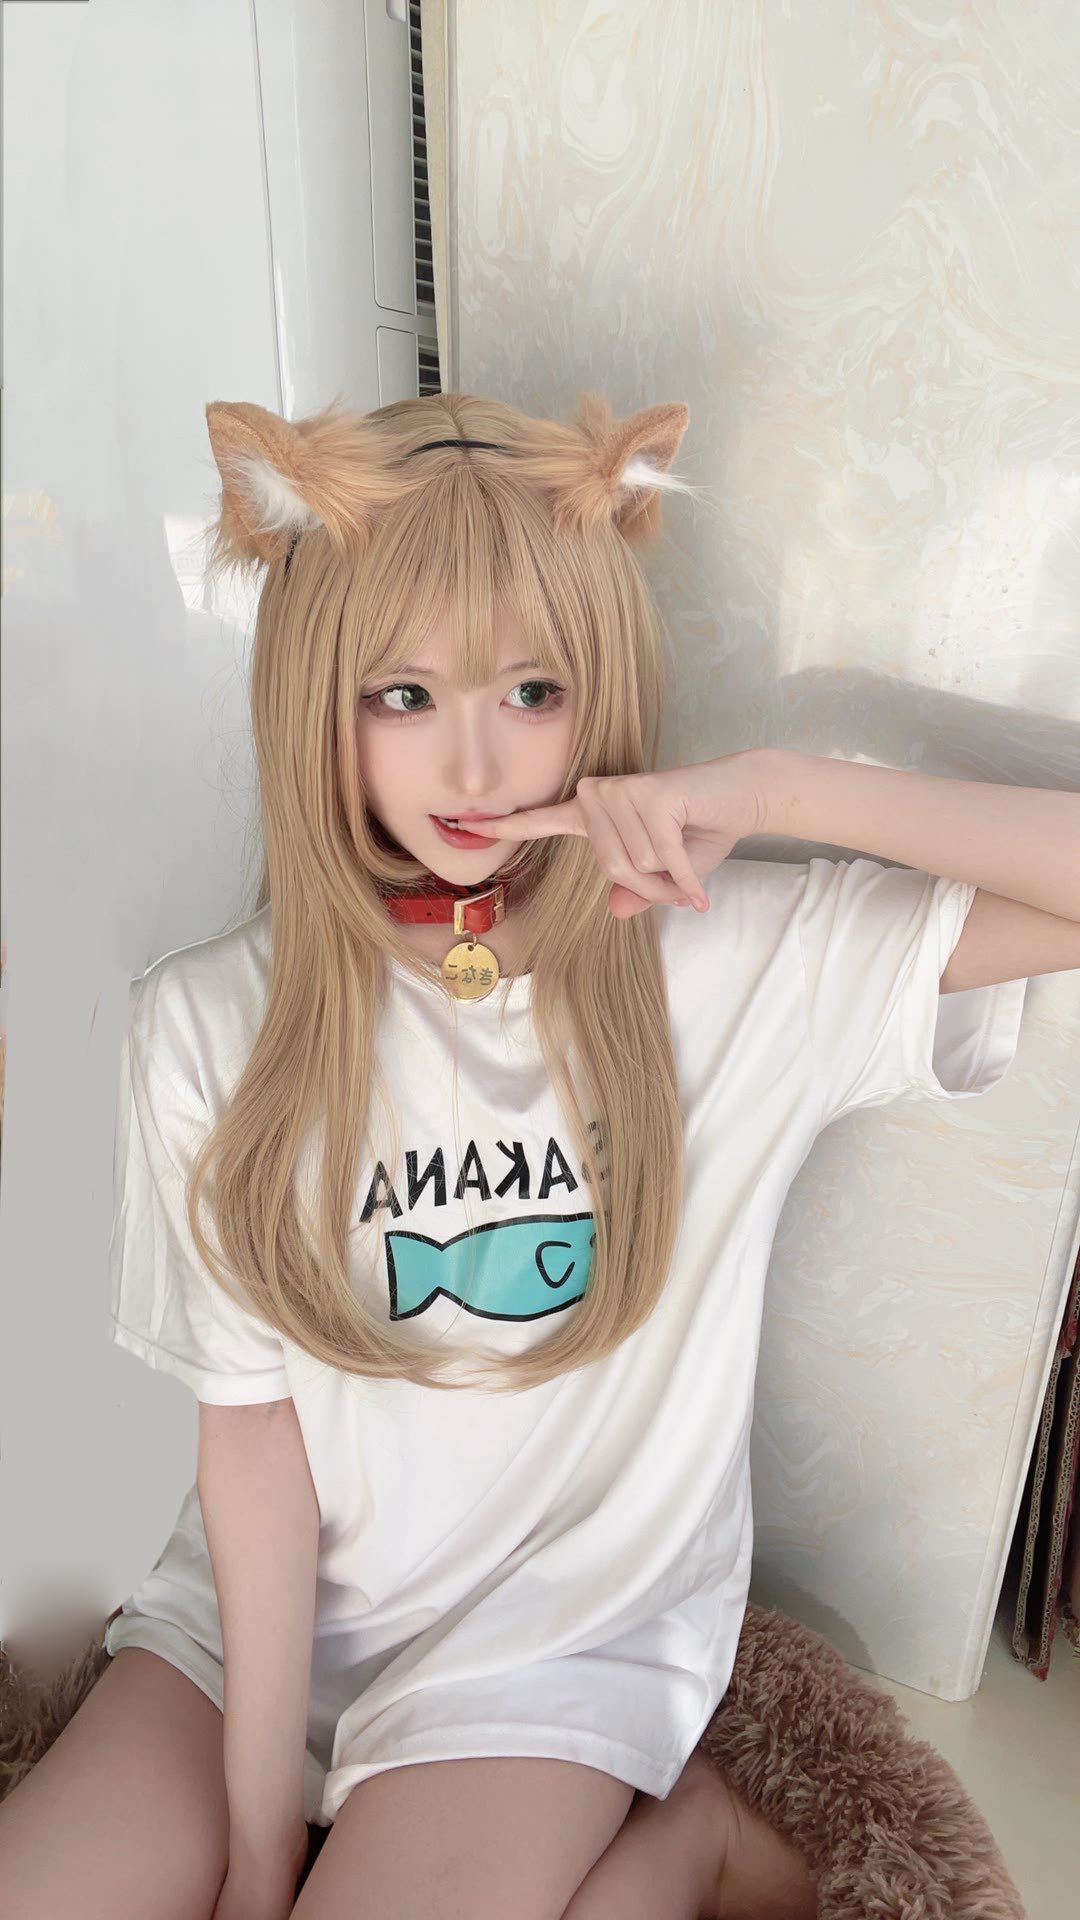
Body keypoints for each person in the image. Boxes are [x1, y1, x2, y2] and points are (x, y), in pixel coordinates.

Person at [4, 386, 1072, 1920]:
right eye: (403, 694)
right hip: (246, 1637)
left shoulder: (728, 961)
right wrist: (255, 1852)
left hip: (551, 1645)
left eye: (531, 690)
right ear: (317, 694)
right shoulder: (208, 1021)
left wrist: (771, 787)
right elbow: (252, 1446)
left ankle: (688, 1837)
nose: (476, 764)